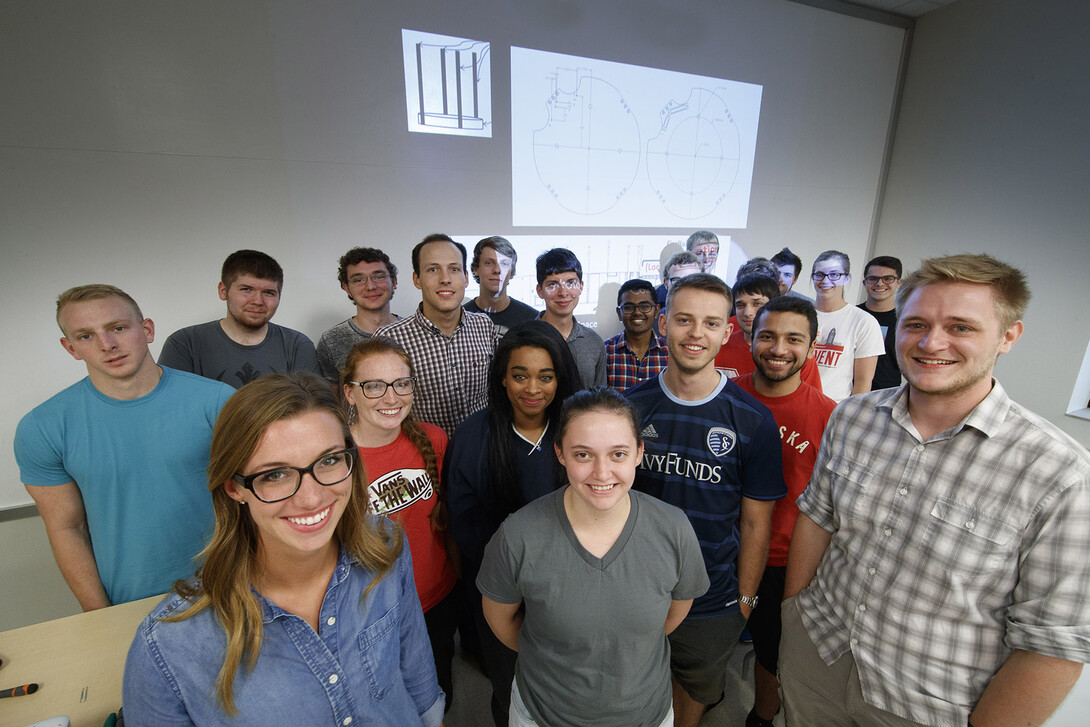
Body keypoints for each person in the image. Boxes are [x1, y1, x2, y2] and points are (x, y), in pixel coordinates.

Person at [781, 254, 1090, 727]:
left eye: (961, 327)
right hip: (816, 660)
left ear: (1009, 336)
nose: (931, 343)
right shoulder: (853, 417)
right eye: (917, 323)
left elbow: (1052, 643)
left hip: (929, 703)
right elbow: (819, 519)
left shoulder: (1058, 472)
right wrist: (794, 618)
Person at [123, 374, 444, 726]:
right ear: (234, 488)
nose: (311, 498)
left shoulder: (384, 544)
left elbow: (416, 671)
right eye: (275, 475)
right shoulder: (169, 645)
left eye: (328, 461)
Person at [478, 388, 709, 727]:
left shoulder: (673, 529)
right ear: (560, 453)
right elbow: (501, 621)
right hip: (543, 716)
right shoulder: (518, 536)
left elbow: (674, 612)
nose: (602, 473)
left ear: (638, 453)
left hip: (646, 715)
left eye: (618, 454)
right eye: (583, 455)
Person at [625, 273, 786, 727]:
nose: (696, 334)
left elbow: (756, 522)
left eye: (711, 323)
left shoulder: (753, 422)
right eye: (684, 320)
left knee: (692, 690)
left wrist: (746, 599)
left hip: (712, 597)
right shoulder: (630, 409)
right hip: (636, 586)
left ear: (728, 331)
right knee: (630, 683)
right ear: (662, 325)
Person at [15, 285, 234, 609]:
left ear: (146, 330)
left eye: (118, 328)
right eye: (86, 336)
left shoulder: (218, 401)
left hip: (228, 587)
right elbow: (66, 528)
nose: (107, 345)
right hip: (127, 602)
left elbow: (258, 500)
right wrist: (97, 613)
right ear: (71, 347)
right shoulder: (43, 426)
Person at [445, 320, 579, 726]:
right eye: (519, 375)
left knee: (570, 689)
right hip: (503, 593)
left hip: (573, 590)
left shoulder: (579, 430)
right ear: (502, 378)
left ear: (561, 378)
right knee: (510, 690)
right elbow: (465, 524)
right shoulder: (473, 436)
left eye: (545, 376)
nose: (532, 389)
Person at [732, 296, 836, 727]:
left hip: (783, 559)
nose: (779, 348)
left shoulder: (831, 417)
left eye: (794, 339)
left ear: (811, 347)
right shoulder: (726, 396)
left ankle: (761, 715)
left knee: (772, 651)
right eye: (768, 336)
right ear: (751, 339)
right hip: (720, 548)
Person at [342, 337, 459, 711]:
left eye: (401, 384)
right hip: (373, 610)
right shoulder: (335, 457)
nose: (391, 398)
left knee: (438, 692)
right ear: (350, 393)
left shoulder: (434, 439)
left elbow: (444, 520)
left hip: (436, 596)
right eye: (374, 385)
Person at [375, 233, 497, 434]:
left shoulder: (484, 326)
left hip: (481, 451)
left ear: (466, 278)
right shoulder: (390, 338)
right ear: (417, 279)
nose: (445, 279)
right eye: (433, 269)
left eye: (454, 269)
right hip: (423, 454)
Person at [159, 249, 320, 388]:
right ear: (223, 291)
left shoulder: (298, 346)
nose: (258, 301)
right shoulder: (184, 344)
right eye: (246, 289)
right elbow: (174, 410)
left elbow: (312, 412)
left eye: (268, 293)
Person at [713, 274, 824, 393]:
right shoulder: (719, 344)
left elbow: (810, 399)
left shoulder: (797, 354)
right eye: (740, 305)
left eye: (757, 304)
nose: (748, 312)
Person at [809, 249, 884, 402]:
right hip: (794, 404)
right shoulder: (797, 315)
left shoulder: (864, 321)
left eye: (834, 275)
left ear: (847, 278)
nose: (825, 281)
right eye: (819, 274)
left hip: (833, 410)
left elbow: (863, 382)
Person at [316, 246, 400, 383]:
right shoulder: (331, 341)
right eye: (358, 280)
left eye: (378, 277)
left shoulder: (416, 332)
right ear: (347, 288)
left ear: (394, 282)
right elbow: (331, 400)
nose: (370, 286)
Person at [535, 248, 606, 389]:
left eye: (571, 283)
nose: (563, 293)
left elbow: (599, 400)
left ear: (581, 286)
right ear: (540, 291)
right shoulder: (522, 338)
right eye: (553, 284)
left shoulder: (594, 342)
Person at [464, 236, 538, 335]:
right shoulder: (460, 318)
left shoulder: (532, 319)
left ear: (511, 273)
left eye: (504, 264)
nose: (497, 270)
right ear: (475, 269)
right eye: (489, 263)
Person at [604, 278, 668, 391]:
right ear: (619, 313)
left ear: (656, 311)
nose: (637, 312)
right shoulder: (605, 352)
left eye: (645, 306)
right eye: (628, 307)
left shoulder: (670, 353)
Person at [858, 254, 904, 390]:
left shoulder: (905, 320)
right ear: (864, 282)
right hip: (847, 394)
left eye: (888, 278)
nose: (879, 283)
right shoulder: (852, 315)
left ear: (898, 283)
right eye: (873, 278)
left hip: (886, 396)